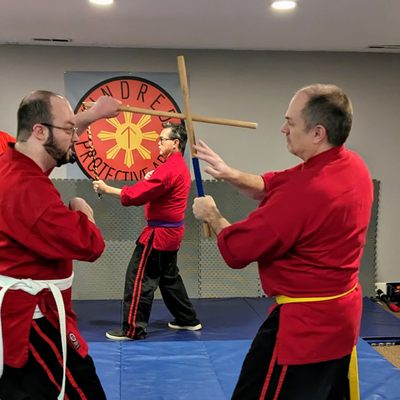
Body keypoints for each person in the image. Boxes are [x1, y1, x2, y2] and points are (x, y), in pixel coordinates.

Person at [192, 84, 373, 400]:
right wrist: (229, 173)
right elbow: (275, 183)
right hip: (341, 319)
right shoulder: (351, 165)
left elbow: (238, 250)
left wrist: (212, 215)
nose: (283, 128)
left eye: (290, 122)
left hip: (303, 331)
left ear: (317, 133)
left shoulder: (305, 195)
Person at [0, 90, 121, 399]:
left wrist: (91, 114)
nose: (76, 137)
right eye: (69, 130)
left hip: (18, 319)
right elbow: (91, 245)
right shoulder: (31, 196)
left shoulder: (8, 156)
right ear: (40, 131)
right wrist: (84, 209)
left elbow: (46, 140)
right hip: (36, 323)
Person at [93, 121, 202, 340]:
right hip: (172, 235)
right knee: (169, 278)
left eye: (162, 139)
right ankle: (187, 319)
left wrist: (106, 189)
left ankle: (133, 329)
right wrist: (150, 179)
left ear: (176, 143)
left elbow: (135, 195)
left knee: (139, 280)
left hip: (159, 236)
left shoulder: (170, 168)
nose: (158, 143)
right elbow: (156, 189)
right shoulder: (175, 166)